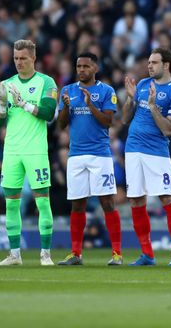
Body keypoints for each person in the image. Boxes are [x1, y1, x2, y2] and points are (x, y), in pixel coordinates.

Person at [0, 39, 58, 266]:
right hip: (11, 151)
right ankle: (14, 255)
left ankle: (46, 254)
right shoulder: (8, 84)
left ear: (33, 59)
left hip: (35, 151)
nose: (19, 63)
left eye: (23, 58)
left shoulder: (46, 82)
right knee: (11, 204)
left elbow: (49, 113)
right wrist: (1, 104)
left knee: (42, 203)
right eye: (16, 58)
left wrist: (24, 105)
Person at [122, 47, 171, 266]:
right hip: (133, 150)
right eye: (149, 62)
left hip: (156, 153)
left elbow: (169, 129)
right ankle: (147, 254)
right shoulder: (141, 85)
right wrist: (130, 100)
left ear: (166, 65)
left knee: (167, 198)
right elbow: (124, 119)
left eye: (154, 62)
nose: (149, 66)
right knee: (136, 200)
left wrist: (152, 107)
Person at [57, 52, 123, 266]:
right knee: (77, 205)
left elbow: (108, 121)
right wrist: (66, 107)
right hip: (76, 155)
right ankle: (76, 253)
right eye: (78, 66)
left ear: (95, 68)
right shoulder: (67, 91)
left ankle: (116, 253)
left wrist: (90, 104)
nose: (81, 70)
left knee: (107, 203)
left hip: (100, 155)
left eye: (86, 66)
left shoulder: (106, 91)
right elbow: (61, 125)